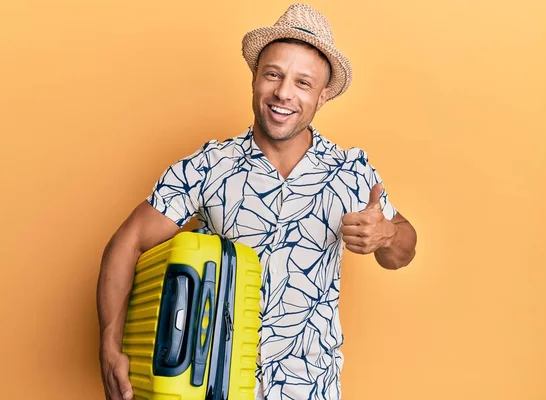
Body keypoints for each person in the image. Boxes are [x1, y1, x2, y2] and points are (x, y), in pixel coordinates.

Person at [96, 3, 417, 400]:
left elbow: (403, 249)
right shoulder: (207, 167)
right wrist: (110, 345)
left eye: (303, 83)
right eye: (273, 75)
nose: (283, 93)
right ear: (255, 78)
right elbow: (127, 243)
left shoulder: (351, 173)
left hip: (311, 387)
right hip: (212, 385)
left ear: (322, 97)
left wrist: (386, 235)